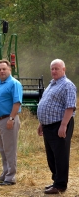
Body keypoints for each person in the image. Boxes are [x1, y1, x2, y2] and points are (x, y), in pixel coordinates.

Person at [37, 59, 76, 194]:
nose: (53, 71)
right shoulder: (51, 84)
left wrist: (63, 125)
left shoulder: (67, 85)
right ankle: (56, 181)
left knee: (60, 156)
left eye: (56, 69)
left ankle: (60, 185)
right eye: (52, 69)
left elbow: (70, 107)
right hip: (48, 126)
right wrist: (41, 123)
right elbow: (46, 104)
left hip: (59, 125)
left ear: (63, 69)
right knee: (51, 156)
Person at [0, 59, 23, 186]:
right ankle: (5, 173)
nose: (2, 71)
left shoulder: (14, 84)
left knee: (10, 149)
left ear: (10, 70)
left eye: (4, 69)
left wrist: (12, 119)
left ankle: (11, 177)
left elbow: (17, 102)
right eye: (0, 69)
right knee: (3, 150)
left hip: (8, 120)